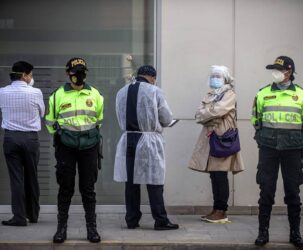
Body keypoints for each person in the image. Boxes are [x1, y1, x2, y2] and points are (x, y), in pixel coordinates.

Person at [251, 56, 303, 247]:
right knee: (266, 190)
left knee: (293, 191)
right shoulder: (262, 93)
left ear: (289, 71)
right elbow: (256, 120)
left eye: (279, 69)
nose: (275, 72)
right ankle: (263, 233)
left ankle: (295, 233)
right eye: (274, 69)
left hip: (292, 148)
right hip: (268, 147)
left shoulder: (302, 95)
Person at [45, 58, 104, 243]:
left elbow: (99, 121)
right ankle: (61, 229)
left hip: (89, 147)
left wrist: (86, 136)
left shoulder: (95, 94)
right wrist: (64, 136)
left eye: (82, 71)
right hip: (65, 148)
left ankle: (92, 230)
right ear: (67, 73)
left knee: (88, 189)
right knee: (65, 188)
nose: (79, 75)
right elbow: (50, 122)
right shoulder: (57, 95)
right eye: (75, 72)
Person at [114, 65, 179, 231]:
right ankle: (161, 220)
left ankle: (132, 219)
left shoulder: (121, 92)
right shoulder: (154, 91)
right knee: (154, 180)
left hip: (128, 139)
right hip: (148, 139)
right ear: (152, 77)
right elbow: (166, 117)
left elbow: (119, 114)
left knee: (131, 182)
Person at [189, 65, 245, 223]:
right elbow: (198, 114)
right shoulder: (209, 94)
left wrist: (207, 114)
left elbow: (218, 111)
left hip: (223, 138)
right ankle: (216, 208)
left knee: (220, 174)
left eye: (218, 76)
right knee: (214, 174)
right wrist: (208, 114)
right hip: (210, 137)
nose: (215, 78)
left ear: (225, 78)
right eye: (213, 75)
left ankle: (222, 211)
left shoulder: (229, 94)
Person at [0, 61, 45, 226]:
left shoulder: (2, 92)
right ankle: (33, 215)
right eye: (30, 74)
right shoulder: (36, 92)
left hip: (10, 138)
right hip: (30, 139)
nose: (32, 77)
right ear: (24, 75)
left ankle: (19, 216)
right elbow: (42, 112)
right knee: (32, 176)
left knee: (16, 179)